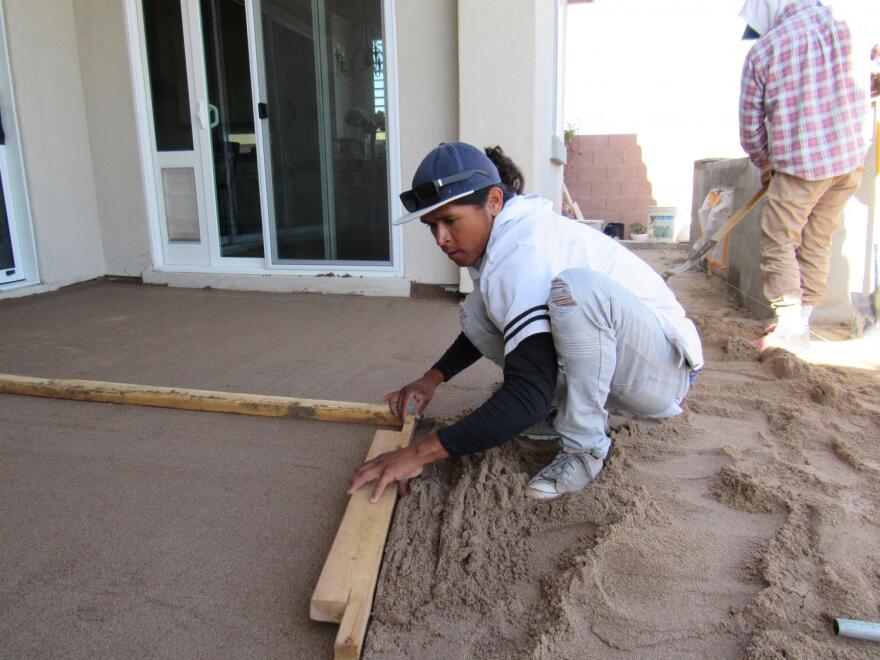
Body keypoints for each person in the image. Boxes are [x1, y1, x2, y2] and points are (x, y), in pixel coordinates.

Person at [348, 142, 703, 502]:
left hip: (665, 371)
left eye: (450, 220)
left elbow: (525, 395)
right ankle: (562, 409)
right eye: (432, 225)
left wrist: (417, 454)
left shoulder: (521, 250)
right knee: (479, 309)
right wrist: (432, 378)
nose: (441, 238)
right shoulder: (505, 239)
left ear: (494, 202)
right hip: (630, 360)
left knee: (577, 293)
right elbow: (497, 319)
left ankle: (585, 449)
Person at [738, 0, 873, 352]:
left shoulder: (764, 50)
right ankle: (800, 320)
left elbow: (750, 129)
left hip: (800, 165)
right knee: (818, 240)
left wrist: (765, 164)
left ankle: (790, 327)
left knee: (780, 241)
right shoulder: (850, 23)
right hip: (849, 159)